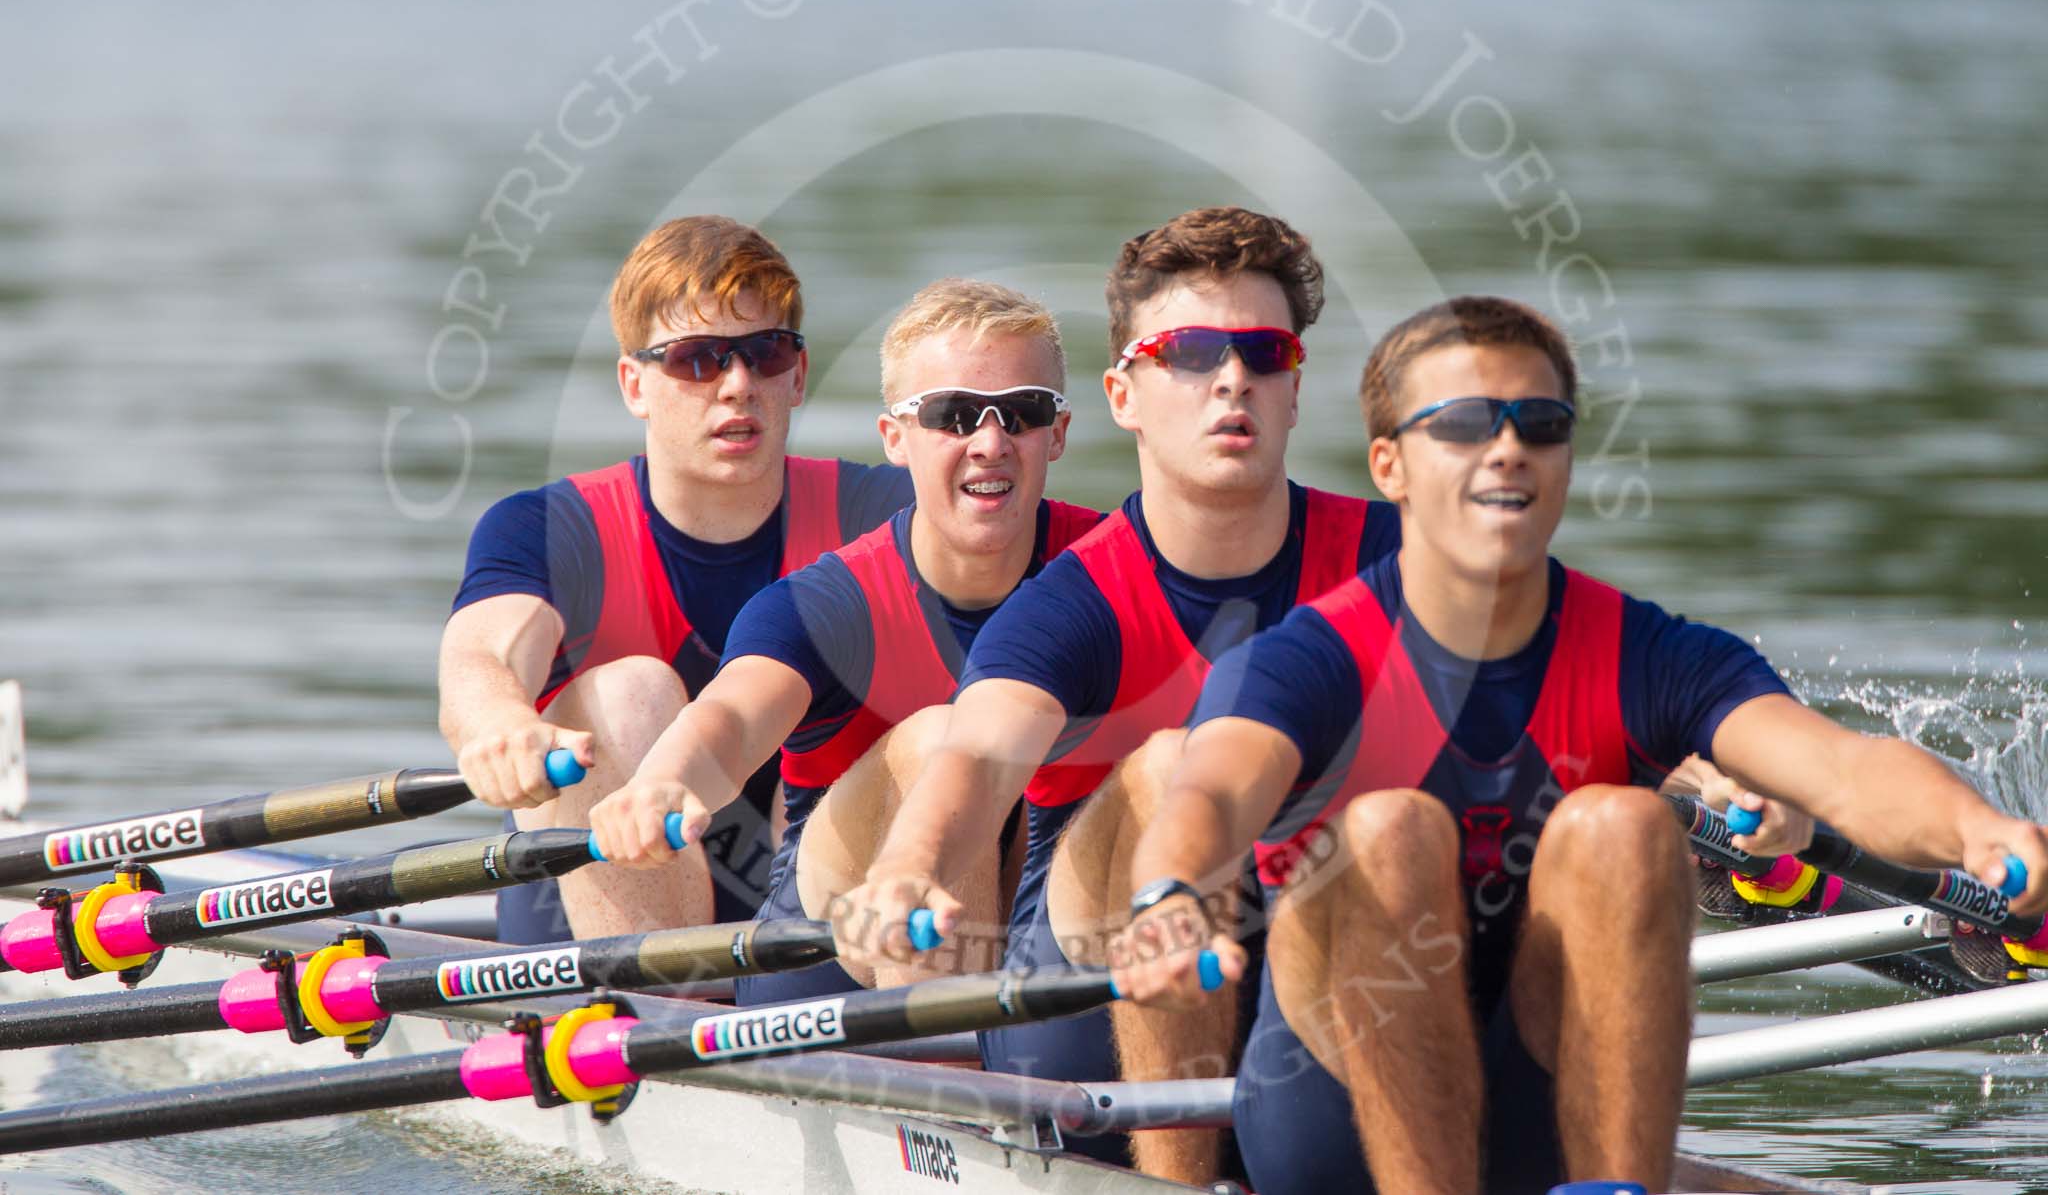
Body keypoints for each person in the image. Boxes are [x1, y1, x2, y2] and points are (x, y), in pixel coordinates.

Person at [1108, 295, 2048, 1195]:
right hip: (1332, 1125)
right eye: (1468, 423)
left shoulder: (1652, 654)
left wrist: (1977, 828)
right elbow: (1210, 795)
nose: (1509, 447)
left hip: (1541, 1119)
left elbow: (1843, 770)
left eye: (1539, 423)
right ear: (1390, 466)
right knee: (1393, 827)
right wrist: (1168, 893)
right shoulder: (1309, 660)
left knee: (1626, 826)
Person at [831, 206, 1400, 1176]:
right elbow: (973, 755)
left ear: (1293, 391)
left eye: (1263, 352)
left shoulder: (1393, 561)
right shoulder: (1068, 607)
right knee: (1176, 764)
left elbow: (1574, 690)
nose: (1232, 379)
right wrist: (912, 864)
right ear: (1122, 395)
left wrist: (1704, 787)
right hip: (1075, 1021)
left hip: (1300, 971)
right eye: (1189, 352)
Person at [588, 278, 1100, 1003]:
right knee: (940, 740)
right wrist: (663, 783)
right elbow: (730, 721)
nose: (991, 442)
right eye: (954, 415)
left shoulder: (1118, 568)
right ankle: (948, 1077)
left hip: (1030, 910)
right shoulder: (828, 603)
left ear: (1059, 432)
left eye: (1022, 413)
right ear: (896, 438)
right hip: (826, 953)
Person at [439, 216, 912, 941]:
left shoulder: (879, 514)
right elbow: (483, 654)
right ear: (634, 384)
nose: (739, 385)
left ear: (799, 376)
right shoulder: (548, 528)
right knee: (634, 691)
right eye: (697, 359)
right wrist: (499, 726)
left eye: (767, 353)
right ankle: (667, 1000)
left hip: (808, 910)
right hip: (585, 931)